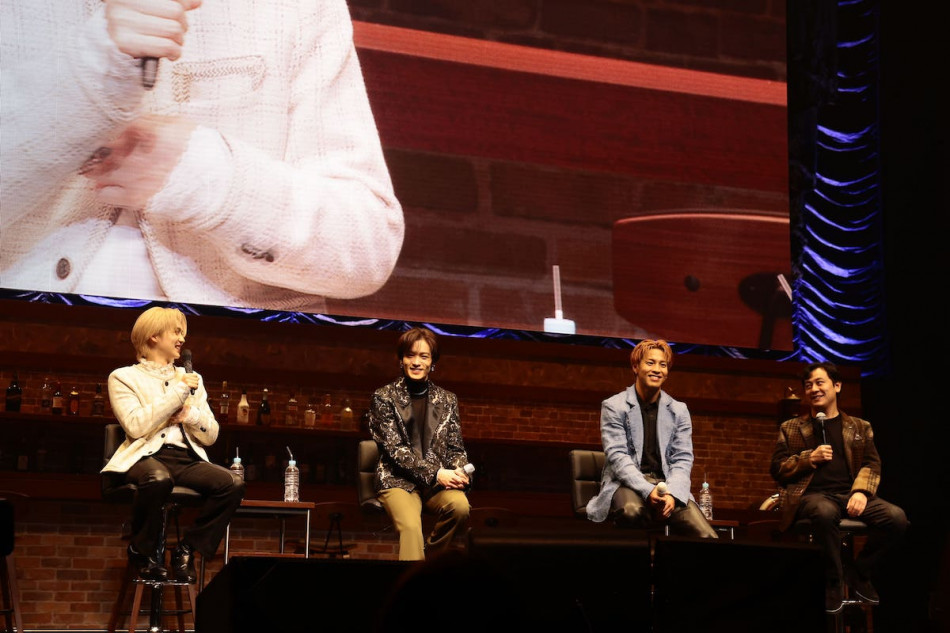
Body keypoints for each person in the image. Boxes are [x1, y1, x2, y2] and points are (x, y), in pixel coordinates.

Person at [0, 0, 403, 311]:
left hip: (229, 379)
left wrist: (207, 179)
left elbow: (366, 247)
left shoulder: (297, 8)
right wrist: (92, 68)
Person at [102, 306, 245, 582]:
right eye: (176, 332)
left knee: (232, 484)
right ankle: (142, 551)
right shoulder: (123, 377)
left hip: (185, 458)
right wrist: (179, 392)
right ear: (154, 336)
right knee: (158, 479)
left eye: (183, 334)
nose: (182, 339)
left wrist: (190, 415)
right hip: (144, 457)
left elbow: (211, 434)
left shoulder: (193, 379)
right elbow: (135, 425)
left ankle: (186, 549)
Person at [771, 361, 908, 613]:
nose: (813, 389)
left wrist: (860, 492)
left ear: (837, 386)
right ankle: (834, 579)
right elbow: (778, 469)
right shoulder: (790, 428)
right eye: (808, 385)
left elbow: (872, 464)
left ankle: (860, 571)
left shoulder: (859, 426)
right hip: (811, 497)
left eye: (820, 383)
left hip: (849, 494)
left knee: (897, 518)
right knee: (824, 512)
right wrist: (808, 459)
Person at [586, 339, 717, 538]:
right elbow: (618, 457)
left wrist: (672, 493)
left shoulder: (679, 410)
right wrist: (648, 491)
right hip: (627, 483)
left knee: (706, 536)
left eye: (662, 365)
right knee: (632, 512)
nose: (657, 369)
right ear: (635, 367)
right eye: (650, 363)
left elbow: (683, 459)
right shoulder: (614, 406)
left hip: (668, 485)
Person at [368, 327, 471, 561]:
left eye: (423, 356)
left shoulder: (447, 399)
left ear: (432, 362)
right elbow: (395, 451)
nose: (416, 362)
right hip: (398, 480)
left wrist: (459, 472)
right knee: (412, 528)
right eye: (410, 355)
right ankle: (415, 587)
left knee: (460, 507)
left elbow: (455, 447)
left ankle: (428, 563)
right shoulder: (383, 397)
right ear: (401, 360)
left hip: (435, 484)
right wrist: (437, 474)